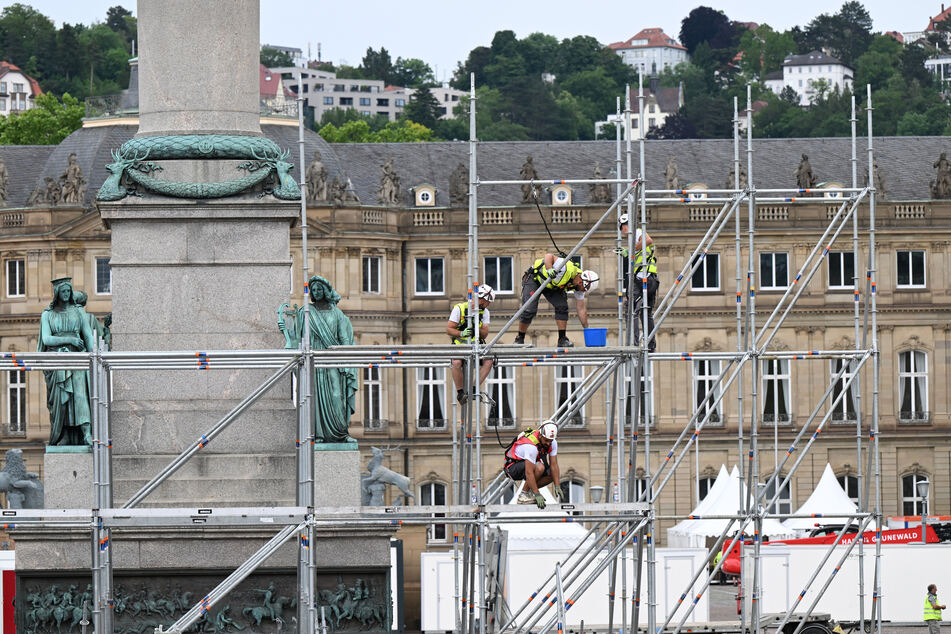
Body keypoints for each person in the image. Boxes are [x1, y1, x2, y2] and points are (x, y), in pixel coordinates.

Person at [278, 275, 358, 443]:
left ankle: (341, 433)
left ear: (326, 291)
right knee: (313, 398)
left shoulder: (337, 314)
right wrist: (286, 330)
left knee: (337, 396)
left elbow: (344, 340)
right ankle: (318, 435)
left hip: (332, 362)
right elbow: (297, 336)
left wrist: (345, 359)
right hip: (312, 362)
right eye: (313, 289)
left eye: (319, 289)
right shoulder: (306, 312)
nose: (316, 291)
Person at [37, 277, 96, 446]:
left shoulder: (78, 312)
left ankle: (86, 432)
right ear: (56, 293)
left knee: (79, 396)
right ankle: (64, 434)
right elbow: (47, 339)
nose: (66, 294)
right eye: (63, 291)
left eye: (68, 291)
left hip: (78, 358)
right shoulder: (47, 314)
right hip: (57, 359)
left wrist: (94, 356)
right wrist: (69, 339)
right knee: (62, 400)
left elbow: (88, 337)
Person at [514, 253, 599, 348]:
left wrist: (587, 329)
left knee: (562, 307)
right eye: (583, 289)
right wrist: (549, 269)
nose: (582, 291)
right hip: (535, 279)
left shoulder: (579, 286)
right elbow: (548, 256)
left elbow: (581, 309)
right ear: (581, 282)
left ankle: (562, 339)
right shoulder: (565, 267)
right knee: (529, 310)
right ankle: (519, 338)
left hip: (552, 286)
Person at [447, 285, 495, 403]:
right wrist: (461, 333)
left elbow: (484, 334)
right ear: (481, 299)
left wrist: (476, 326)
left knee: (489, 361)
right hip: (460, 345)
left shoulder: (485, 313)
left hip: (477, 346)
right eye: (487, 301)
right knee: (456, 362)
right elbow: (449, 329)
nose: (488, 305)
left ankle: (473, 388)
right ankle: (460, 393)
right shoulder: (459, 309)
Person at [619, 214, 658, 352]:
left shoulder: (637, 233)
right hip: (649, 278)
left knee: (631, 311)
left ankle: (633, 344)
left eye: (622, 229)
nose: (623, 233)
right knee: (645, 313)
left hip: (642, 279)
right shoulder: (636, 237)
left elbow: (648, 240)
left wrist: (630, 251)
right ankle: (651, 344)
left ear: (624, 226)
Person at [504, 420, 562, 509]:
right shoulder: (531, 447)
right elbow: (529, 472)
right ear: (540, 435)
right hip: (512, 468)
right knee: (540, 467)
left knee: (552, 474)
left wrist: (557, 485)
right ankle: (523, 495)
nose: (548, 443)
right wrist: (537, 493)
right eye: (546, 440)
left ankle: (529, 492)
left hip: (529, 466)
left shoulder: (552, 442)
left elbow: (554, 465)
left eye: (550, 441)